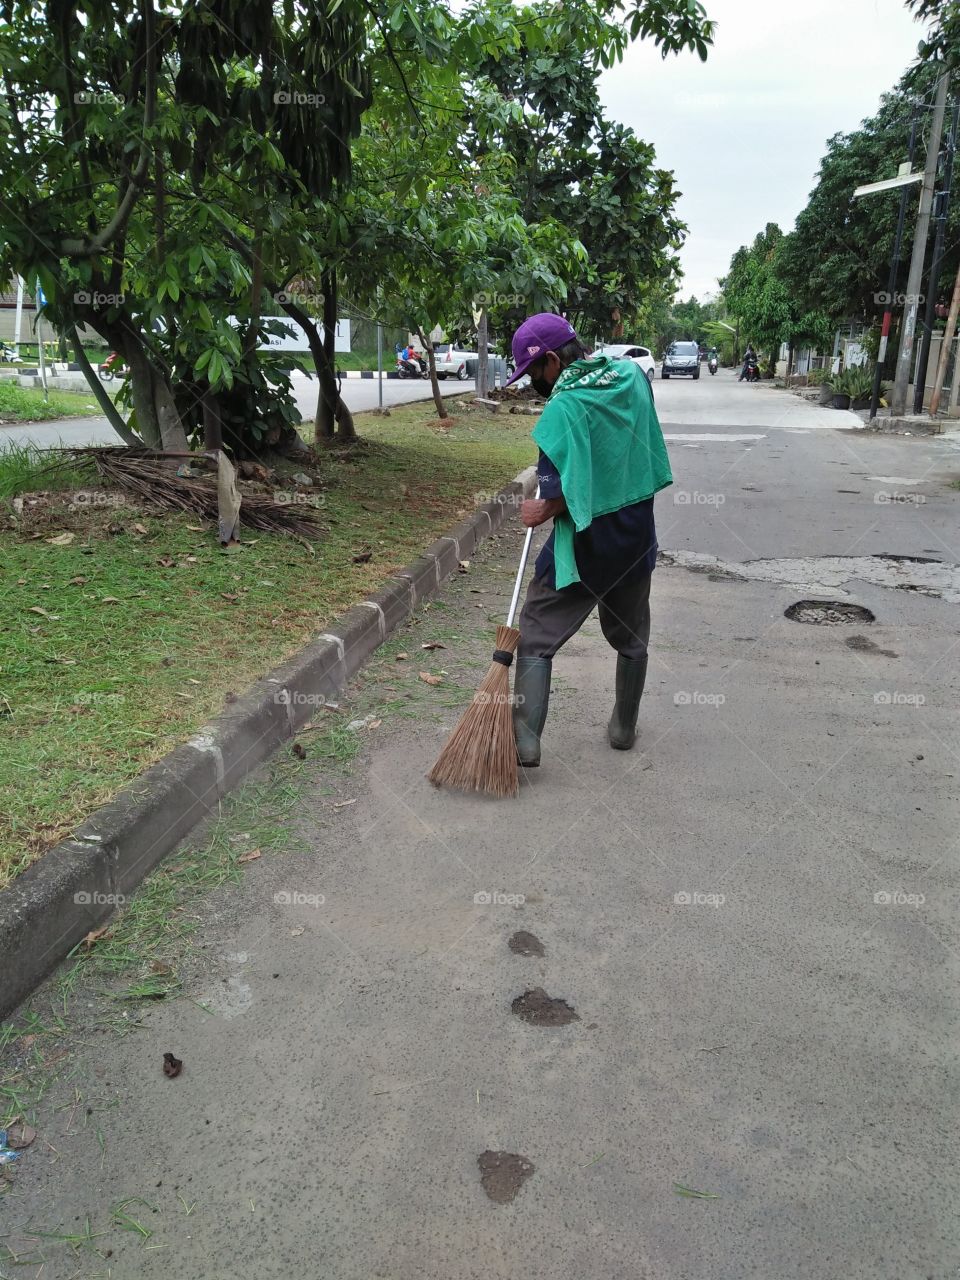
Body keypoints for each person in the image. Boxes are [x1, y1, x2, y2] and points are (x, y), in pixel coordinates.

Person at [505, 313, 673, 767]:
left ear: (554, 360)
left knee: (537, 633)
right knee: (632, 637)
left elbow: (561, 497)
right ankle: (623, 728)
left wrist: (542, 509)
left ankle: (525, 740)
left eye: (534, 373)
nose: (533, 384)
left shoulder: (561, 408)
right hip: (635, 538)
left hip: (584, 546)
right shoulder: (633, 376)